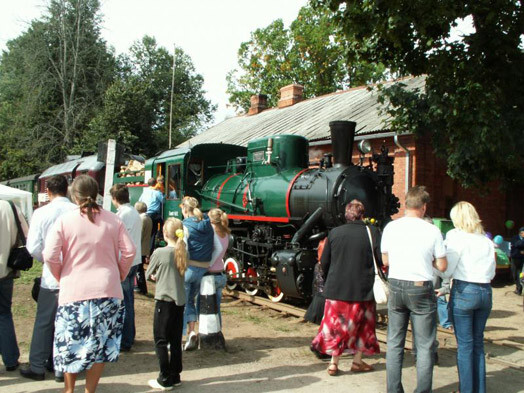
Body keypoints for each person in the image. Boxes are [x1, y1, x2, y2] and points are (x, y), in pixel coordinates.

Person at [43, 175, 136, 393]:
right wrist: (118, 274)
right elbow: (129, 251)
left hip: (73, 290)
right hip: (108, 290)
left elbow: (49, 254)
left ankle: (69, 390)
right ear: (96, 194)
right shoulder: (114, 220)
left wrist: (61, 275)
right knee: (101, 346)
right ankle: (90, 391)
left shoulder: (65, 221)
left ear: (73, 195)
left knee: (70, 345)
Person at [381, 185, 447, 393]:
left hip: (397, 286)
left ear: (407, 204)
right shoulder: (432, 230)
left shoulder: (391, 228)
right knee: (425, 345)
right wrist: (431, 262)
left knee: (394, 342)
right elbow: (443, 266)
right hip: (421, 288)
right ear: (424, 207)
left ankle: (394, 389)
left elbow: (385, 259)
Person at [311, 200, 381, 376]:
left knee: (336, 326)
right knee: (363, 326)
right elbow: (379, 260)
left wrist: (330, 280)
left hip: (337, 289)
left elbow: (324, 262)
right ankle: (357, 362)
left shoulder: (335, 233)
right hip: (363, 289)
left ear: (346, 215)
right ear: (363, 215)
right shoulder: (371, 232)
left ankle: (334, 364)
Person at [21, 175, 76, 382]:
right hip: (74, 275)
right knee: (68, 322)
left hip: (51, 276)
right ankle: (62, 367)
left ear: (49, 191)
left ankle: (37, 365)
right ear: (66, 189)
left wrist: (46, 259)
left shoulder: (41, 213)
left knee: (44, 321)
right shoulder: (76, 211)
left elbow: (32, 246)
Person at [443, 201, 496, 393]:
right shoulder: (486, 241)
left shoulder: (456, 238)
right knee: (478, 344)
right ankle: (479, 389)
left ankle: (466, 389)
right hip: (485, 290)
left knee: (465, 346)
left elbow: (447, 270)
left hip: (465, 290)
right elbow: (492, 271)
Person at [146, 218, 187, 390]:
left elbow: (148, 274)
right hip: (179, 300)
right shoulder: (183, 251)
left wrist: (156, 277)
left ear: (164, 233)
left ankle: (164, 377)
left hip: (164, 299)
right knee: (176, 339)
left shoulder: (159, 252)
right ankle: (175, 374)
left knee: (161, 340)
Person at [111, 184, 142, 352]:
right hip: (134, 259)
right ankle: (130, 335)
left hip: (125, 260)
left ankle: (125, 339)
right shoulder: (134, 213)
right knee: (129, 299)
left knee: (124, 301)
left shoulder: (121, 215)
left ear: (115, 198)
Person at [180, 196, 214, 351]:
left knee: (182, 303)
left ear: (184, 209)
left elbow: (183, 248)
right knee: (190, 301)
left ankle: (179, 338)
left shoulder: (184, 225)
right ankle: (191, 332)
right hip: (203, 268)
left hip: (189, 267)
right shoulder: (207, 223)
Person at [0, 200, 28, 372]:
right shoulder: (10, 206)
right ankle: (10, 359)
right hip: (6, 269)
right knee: (4, 313)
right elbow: (27, 235)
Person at [207, 208, 231, 324]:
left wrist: (208, 264)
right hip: (221, 273)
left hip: (210, 274)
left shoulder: (212, 232)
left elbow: (218, 250)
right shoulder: (225, 233)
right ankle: (218, 332)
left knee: (206, 308)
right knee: (216, 308)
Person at [139, 177, 165, 253]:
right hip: (153, 214)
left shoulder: (144, 192)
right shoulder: (156, 192)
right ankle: (149, 252)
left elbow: (140, 201)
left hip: (144, 214)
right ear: (155, 183)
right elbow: (163, 201)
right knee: (153, 233)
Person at [135, 201, 152, 295]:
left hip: (140, 247)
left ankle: (141, 287)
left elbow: (139, 234)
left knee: (139, 269)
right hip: (145, 247)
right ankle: (142, 287)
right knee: (140, 268)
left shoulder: (141, 219)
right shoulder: (148, 218)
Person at [510, 226, 524, 295]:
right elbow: (517, 244)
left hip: (522, 259)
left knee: (521, 274)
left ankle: (519, 288)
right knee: (515, 274)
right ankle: (518, 286)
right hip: (515, 258)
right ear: (520, 233)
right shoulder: (515, 238)